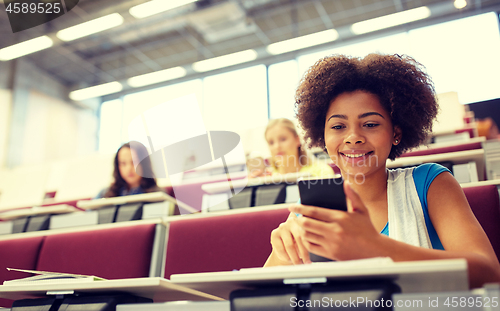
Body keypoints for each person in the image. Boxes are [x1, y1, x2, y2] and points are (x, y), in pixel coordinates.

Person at [263, 54, 500, 288]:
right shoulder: (314, 205)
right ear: (323, 137)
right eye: (338, 126)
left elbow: (489, 273)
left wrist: (373, 246)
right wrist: (284, 250)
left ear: (396, 133)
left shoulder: (430, 183)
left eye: (370, 124)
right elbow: (258, 292)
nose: (353, 137)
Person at [250, 118, 334, 178]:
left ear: (297, 140)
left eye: (283, 139)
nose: (277, 146)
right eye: (271, 142)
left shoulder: (321, 172)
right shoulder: (266, 179)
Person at [95, 141, 161, 198]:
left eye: (134, 162)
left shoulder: (158, 194)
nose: (129, 169)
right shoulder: (104, 194)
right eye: (123, 163)